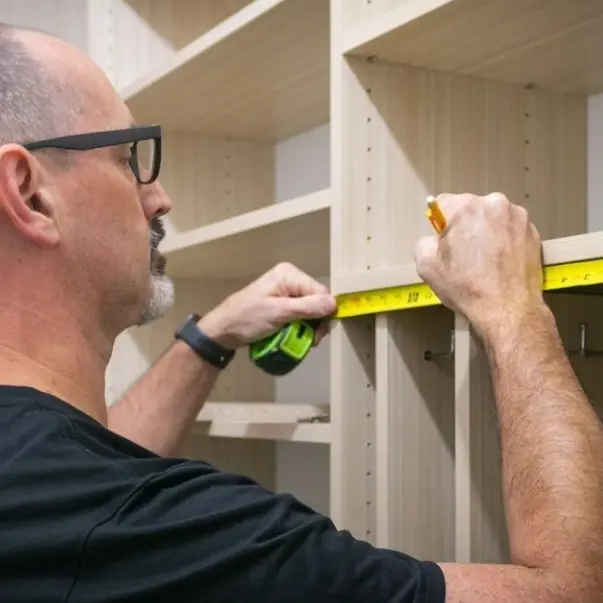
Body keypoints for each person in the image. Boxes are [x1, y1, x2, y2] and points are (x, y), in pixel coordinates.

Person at [0, 22, 601, 603]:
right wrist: (512, 309)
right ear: (28, 191)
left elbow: (93, 467)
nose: (159, 197)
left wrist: (212, 335)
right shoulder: (167, 529)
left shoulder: (51, 490)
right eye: (129, 158)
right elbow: (572, 593)